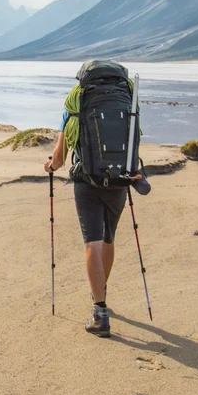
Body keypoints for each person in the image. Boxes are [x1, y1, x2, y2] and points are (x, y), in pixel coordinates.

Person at [43, 64, 146, 338]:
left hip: (87, 181)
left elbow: (60, 156)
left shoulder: (77, 100)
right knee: (108, 240)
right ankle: (100, 295)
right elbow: (134, 139)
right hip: (119, 181)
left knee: (92, 243)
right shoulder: (128, 98)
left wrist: (51, 165)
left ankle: (100, 313)